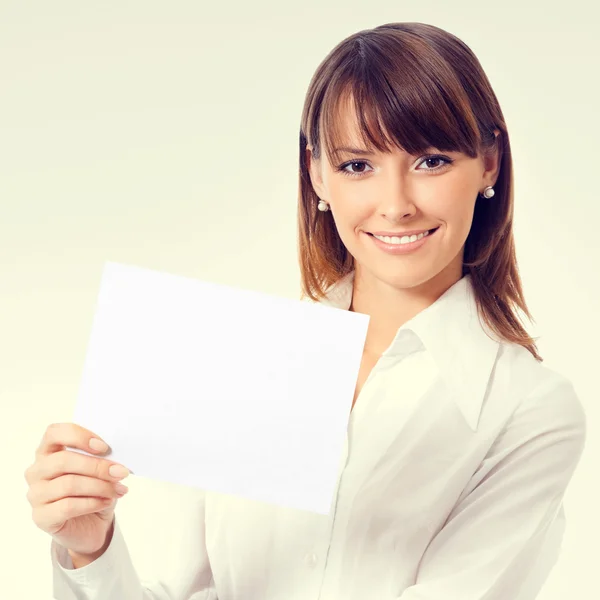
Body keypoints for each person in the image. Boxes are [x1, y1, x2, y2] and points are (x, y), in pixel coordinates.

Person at [25, 21, 586, 600]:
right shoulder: (247, 362)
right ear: (317, 172)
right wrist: (89, 549)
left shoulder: (529, 411)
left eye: (431, 160)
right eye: (357, 166)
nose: (395, 205)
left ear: (489, 163)